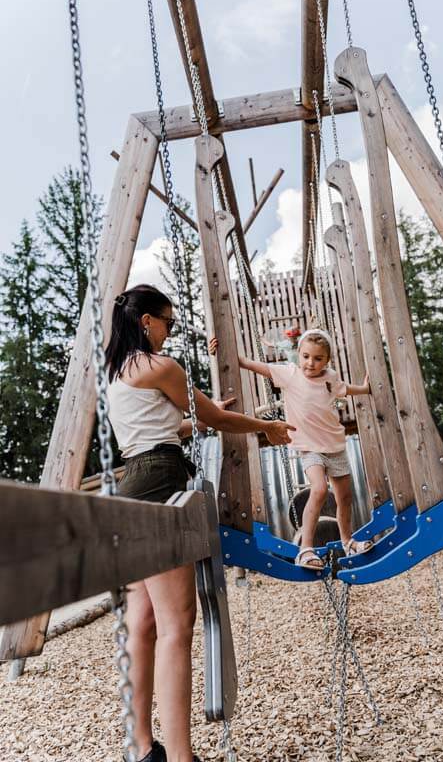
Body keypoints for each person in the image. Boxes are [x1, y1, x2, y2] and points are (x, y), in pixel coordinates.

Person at [105, 284, 295, 762]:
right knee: (177, 624)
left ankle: (144, 747)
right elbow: (208, 415)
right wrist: (264, 427)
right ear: (146, 321)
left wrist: (213, 415)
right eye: (167, 322)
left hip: (132, 485)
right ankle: (184, 758)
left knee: (142, 623)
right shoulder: (160, 366)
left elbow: (179, 425)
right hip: (160, 483)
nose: (170, 331)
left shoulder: (119, 373)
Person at [236, 328, 372, 570]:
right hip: (310, 448)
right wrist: (236, 358)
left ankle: (348, 541)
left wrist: (364, 389)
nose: (311, 363)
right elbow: (260, 368)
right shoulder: (290, 375)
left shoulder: (330, 377)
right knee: (319, 490)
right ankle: (305, 549)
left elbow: (345, 389)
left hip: (335, 445)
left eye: (318, 358)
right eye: (306, 356)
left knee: (345, 498)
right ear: (298, 354)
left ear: (327, 360)